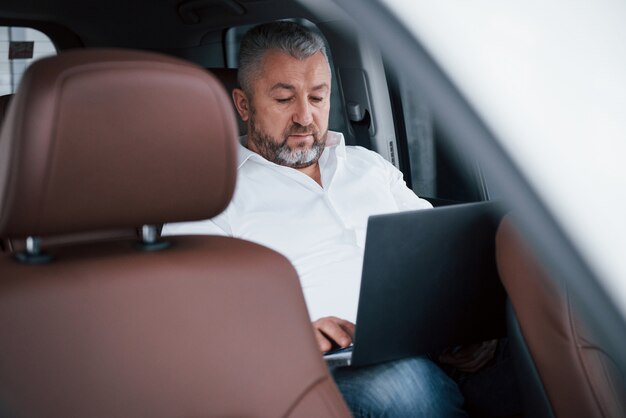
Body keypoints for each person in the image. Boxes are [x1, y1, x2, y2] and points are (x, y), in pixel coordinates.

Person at [163, 21, 467, 417]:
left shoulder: (368, 165)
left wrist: (465, 326)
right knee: (406, 386)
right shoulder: (207, 197)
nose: (305, 117)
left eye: (318, 98)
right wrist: (291, 338)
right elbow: (194, 325)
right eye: (285, 99)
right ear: (243, 105)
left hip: (428, 337)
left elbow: (437, 247)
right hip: (316, 369)